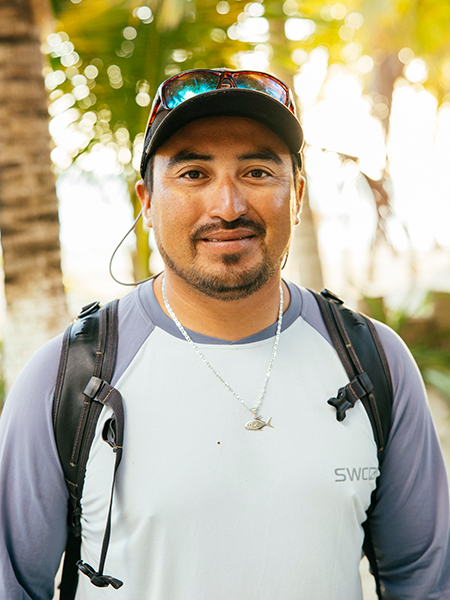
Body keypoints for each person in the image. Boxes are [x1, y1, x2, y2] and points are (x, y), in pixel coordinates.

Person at [0, 68, 449, 600]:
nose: (228, 206)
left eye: (258, 171)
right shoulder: (70, 378)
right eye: (193, 173)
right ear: (146, 199)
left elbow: (423, 581)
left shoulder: (373, 362)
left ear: (297, 194)